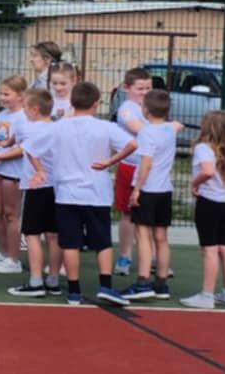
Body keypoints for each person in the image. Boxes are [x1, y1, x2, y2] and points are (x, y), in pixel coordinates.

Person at [49, 80, 137, 307]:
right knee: (102, 242)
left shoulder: (58, 127)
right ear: (97, 103)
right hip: (97, 194)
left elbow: (38, 148)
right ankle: (105, 286)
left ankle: (74, 291)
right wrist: (110, 161)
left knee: (70, 243)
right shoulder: (105, 127)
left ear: (71, 102)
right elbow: (132, 144)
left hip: (66, 193)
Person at [182, 110, 225, 310]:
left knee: (209, 249)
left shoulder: (204, 148)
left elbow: (208, 171)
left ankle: (207, 294)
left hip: (209, 202)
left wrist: (194, 184)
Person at [123, 87, 182, 302]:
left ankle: (142, 281)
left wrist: (137, 189)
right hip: (164, 189)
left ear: (145, 110)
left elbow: (146, 163)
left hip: (148, 189)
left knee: (143, 235)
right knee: (161, 237)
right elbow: (175, 126)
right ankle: (161, 283)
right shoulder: (169, 130)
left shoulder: (147, 133)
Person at [7, 87, 60, 299]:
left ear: (35, 109)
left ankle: (36, 281)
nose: (24, 112)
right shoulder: (57, 128)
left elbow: (26, 150)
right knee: (54, 235)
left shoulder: (33, 129)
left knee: (32, 235)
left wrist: (39, 170)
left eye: (26, 108)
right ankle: (53, 280)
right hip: (57, 187)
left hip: (36, 187)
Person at [0, 74, 30, 275]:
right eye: (1, 93)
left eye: (7, 94)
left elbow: (23, 147)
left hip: (15, 171)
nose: (2, 98)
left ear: (20, 96)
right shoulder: (2, 115)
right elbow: (0, 142)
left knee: (11, 214)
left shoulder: (24, 117)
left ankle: (13, 259)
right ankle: (3, 253)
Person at [112, 67, 154, 281]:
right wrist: (166, 128)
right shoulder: (127, 109)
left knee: (150, 216)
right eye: (140, 88)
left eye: (148, 88)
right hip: (130, 167)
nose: (145, 93)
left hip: (152, 169)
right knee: (128, 214)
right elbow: (138, 128)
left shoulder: (152, 109)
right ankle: (125, 256)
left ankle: (151, 258)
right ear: (127, 88)